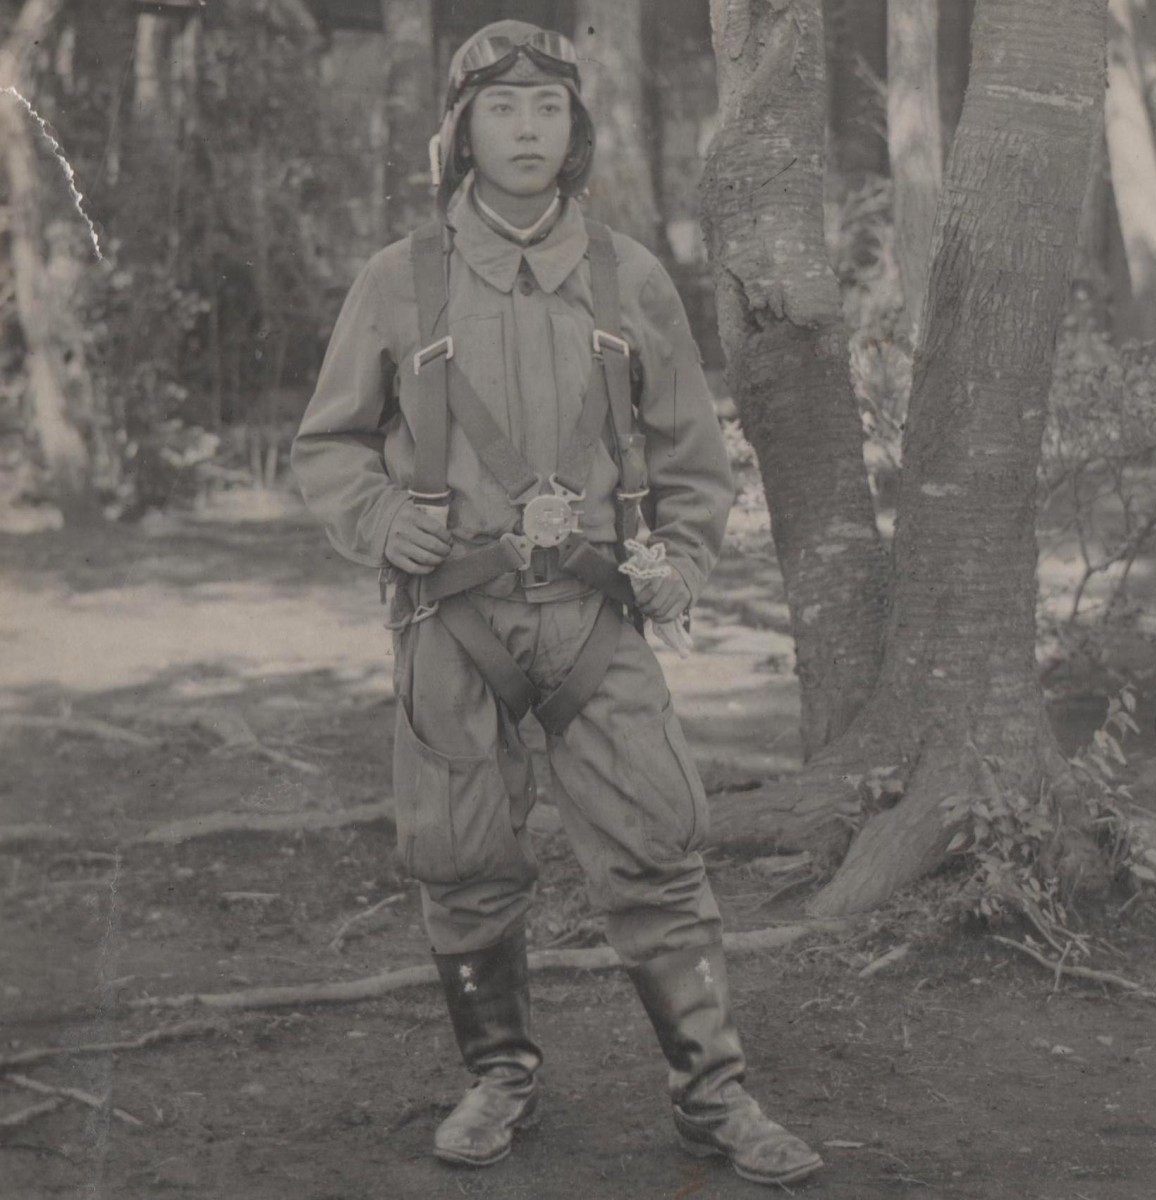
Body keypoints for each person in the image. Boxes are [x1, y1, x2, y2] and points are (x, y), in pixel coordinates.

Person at [291, 20, 823, 1188]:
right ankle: (500, 1080)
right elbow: (326, 451)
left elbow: (691, 457)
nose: (526, 131)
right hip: (453, 622)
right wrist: (388, 522)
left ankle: (714, 1096)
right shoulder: (398, 281)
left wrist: (681, 557)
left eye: (547, 110)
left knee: (657, 848)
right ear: (460, 133)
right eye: (501, 109)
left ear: (575, 132)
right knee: (462, 858)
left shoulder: (630, 276)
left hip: (595, 621)